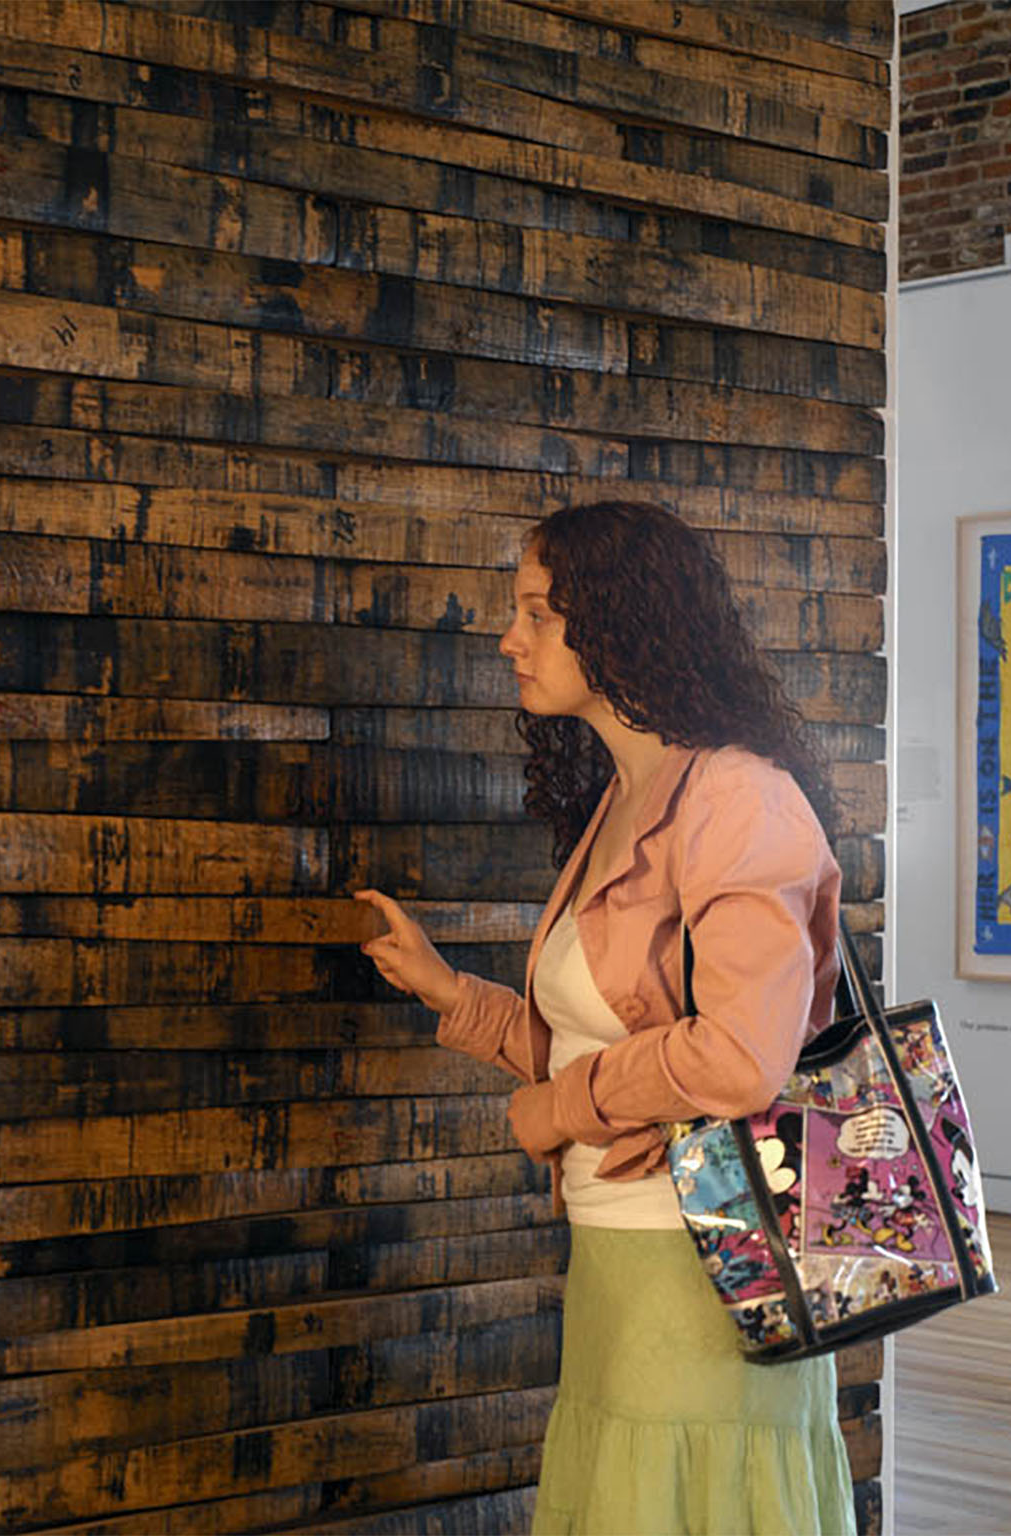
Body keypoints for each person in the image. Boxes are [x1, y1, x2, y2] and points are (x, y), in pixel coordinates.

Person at [355, 501, 856, 1536]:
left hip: (708, 1257)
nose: (508, 639)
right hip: (621, 1252)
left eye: (537, 612)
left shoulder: (738, 801)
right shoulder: (626, 801)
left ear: (622, 619)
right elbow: (616, 1042)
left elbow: (736, 1059)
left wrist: (556, 1112)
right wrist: (455, 997)